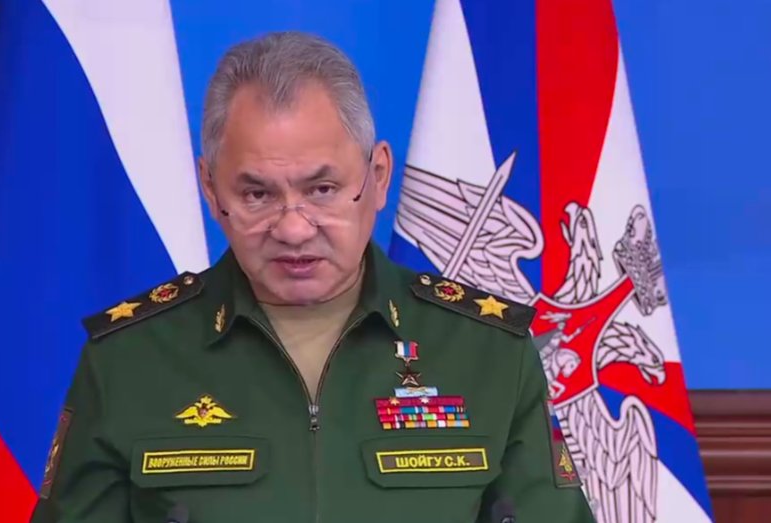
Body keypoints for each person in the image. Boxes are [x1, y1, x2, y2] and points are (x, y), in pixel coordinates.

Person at [30, 31, 595, 523]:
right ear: (211, 189)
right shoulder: (129, 360)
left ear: (377, 177)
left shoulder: (488, 354)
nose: (294, 228)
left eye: (322, 190)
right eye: (257, 195)